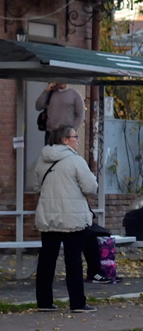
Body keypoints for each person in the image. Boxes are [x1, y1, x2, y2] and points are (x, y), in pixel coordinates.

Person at [34, 125, 98, 313]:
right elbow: (90, 187)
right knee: (73, 261)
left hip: (48, 217)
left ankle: (44, 302)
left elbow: (36, 187)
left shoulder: (42, 160)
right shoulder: (76, 161)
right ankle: (77, 303)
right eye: (75, 136)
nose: (77, 140)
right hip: (72, 218)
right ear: (65, 140)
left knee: (46, 260)